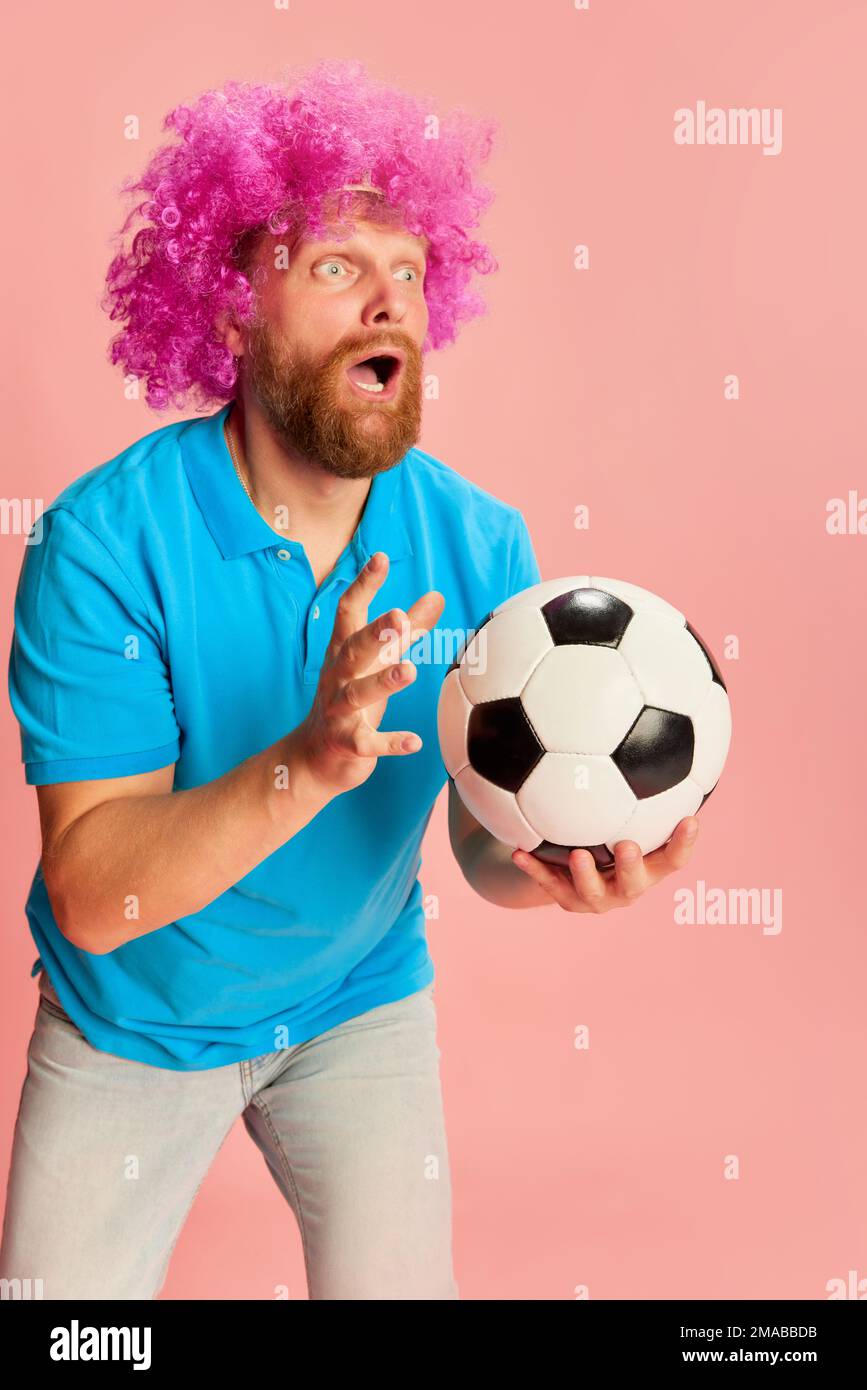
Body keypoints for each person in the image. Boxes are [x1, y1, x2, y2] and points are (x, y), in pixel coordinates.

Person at [0, 59, 698, 1301]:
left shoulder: (482, 550)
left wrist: (555, 868)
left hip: (354, 999)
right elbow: (97, 898)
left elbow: (482, 849)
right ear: (227, 312)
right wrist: (304, 765)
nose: (389, 304)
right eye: (335, 267)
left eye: (411, 274)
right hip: (134, 1020)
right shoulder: (104, 544)